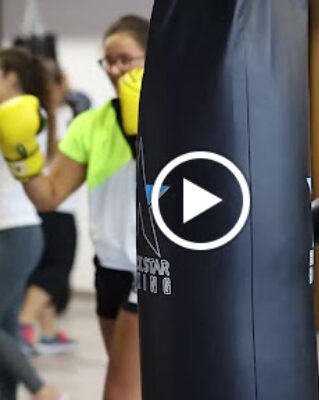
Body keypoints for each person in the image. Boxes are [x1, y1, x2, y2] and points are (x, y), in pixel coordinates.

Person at [0, 15, 149, 400]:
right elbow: (48, 195)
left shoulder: (181, 117)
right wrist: (23, 156)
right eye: (108, 61)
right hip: (110, 265)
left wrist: (144, 126)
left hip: (151, 266)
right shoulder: (91, 124)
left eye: (125, 60)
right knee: (135, 382)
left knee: (120, 390)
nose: (115, 70)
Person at [0, 47, 65, 400]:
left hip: (15, 231)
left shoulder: (25, 113)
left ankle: (42, 389)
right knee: (6, 326)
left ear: (11, 76)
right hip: (13, 230)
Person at [20, 62, 86, 356]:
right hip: (58, 205)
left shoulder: (31, 114)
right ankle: (24, 324)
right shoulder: (61, 116)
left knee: (42, 270)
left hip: (37, 205)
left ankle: (49, 332)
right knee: (56, 272)